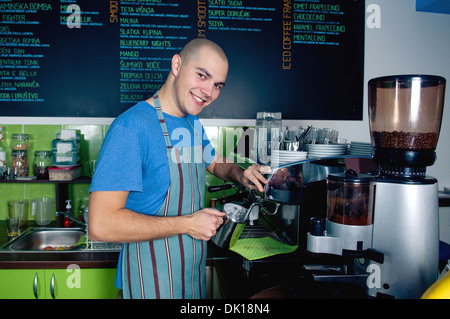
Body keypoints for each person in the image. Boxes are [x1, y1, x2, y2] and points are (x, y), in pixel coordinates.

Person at [88, 38, 270, 299]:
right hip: (147, 286)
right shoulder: (131, 127)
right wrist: (187, 224)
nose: (208, 92)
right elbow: (101, 224)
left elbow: (214, 162)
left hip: (189, 282)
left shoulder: (191, 122)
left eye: (217, 85)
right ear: (176, 64)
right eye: (202, 75)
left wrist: (240, 173)